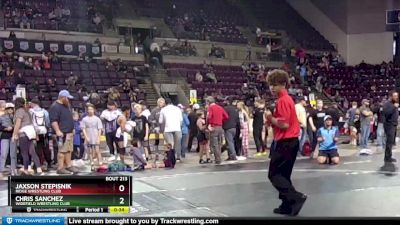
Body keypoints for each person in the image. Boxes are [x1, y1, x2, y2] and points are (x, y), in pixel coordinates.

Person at [265, 69, 306, 216]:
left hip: (285, 142)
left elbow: (284, 124)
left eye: (274, 84)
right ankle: (286, 205)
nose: (271, 88)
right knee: (284, 175)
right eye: (270, 84)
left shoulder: (283, 100)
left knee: (274, 174)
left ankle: (295, 197)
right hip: (290, 141)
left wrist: (270, 118)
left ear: (282, 84)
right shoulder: (286, 99)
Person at [49, 90, 78, 175]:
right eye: (67, 98)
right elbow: (53, 121)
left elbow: (69, 118)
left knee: (69, 150)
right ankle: (60, 167)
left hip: (69, 132)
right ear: (62, 97)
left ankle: (69, 165)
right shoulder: (55, 107)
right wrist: (57, 131)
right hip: (62, 133)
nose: (68, 100)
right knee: (62, 151)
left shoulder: (67, 105)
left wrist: (72, 128)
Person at [13, 97, 43, 176]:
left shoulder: (19, 111)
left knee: (24, 153)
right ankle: (39, 169)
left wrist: (14, 134)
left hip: (24, 133)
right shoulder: (27, 111)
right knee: (32, 152)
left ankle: (26, 170)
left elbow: (18, 124)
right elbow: (32, 123)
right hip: (31, 133)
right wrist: (36, 135)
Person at [30, 99, 51, 170]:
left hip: (35, 132)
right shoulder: (45, 111)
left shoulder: (31, 111)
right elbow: (48, 122)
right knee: (46, 148)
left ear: (33, 104)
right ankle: (49, 163)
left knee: (37, 148)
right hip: (44, 131)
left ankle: (37, 164)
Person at [206, 96, 228, 165]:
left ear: (208, 102)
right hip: (220, 127)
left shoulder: (211, 108)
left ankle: (217, 159)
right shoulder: (220, 107)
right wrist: (221, 121)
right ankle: (219, 157)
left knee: (214, 144)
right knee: (219, 143)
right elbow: (226, 116)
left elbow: (209, 117)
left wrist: (209, 124)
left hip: (214, 127)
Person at [81, 104, 103, 170]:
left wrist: (98, 138)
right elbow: (83, 129)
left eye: (91, 109)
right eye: (89, 109)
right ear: (87, 110)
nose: (90, 111)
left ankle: (100, 162)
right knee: (90, 151)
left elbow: (100, 129)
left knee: (97, 150)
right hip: (88, 135)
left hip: (95, 135)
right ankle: (92, 163)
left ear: (94, 110)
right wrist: (86, 137)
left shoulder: (97, 119)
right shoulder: (84, 119)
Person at [382, 91, 399, 163]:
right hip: (389, 125)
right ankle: (387, 157)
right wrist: (394, 107)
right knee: (389, 142)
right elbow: (386, 113)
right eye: (395, 96)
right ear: (391, 96)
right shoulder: (387, 104)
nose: (396, 97)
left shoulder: (393, 104)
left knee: (391, 142)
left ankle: (389, 156)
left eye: (397, 96)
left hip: (394, 124)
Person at [0, 103, 16, 176]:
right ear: (6, 109)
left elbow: (17, 126)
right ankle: (1, 169)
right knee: (3, 153)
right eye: (9, 108)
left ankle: (13, 169)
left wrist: (12, 127)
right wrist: (5, 128)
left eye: (11, 108)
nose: (10, 110)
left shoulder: (15, 117)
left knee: (13, 154)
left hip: (13, 136)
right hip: (5, 136)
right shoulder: (1, 117)